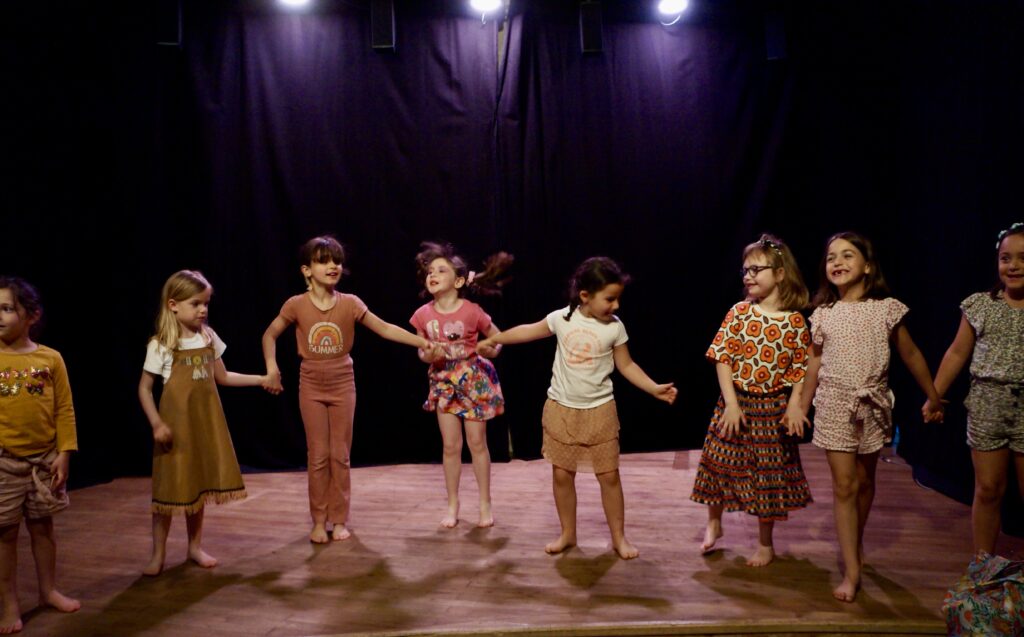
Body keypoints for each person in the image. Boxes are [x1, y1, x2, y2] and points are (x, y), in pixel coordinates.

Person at [478, 257, 676, 559]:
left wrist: (653, 387)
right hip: (562, 409)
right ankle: (568, 534)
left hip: (599, 411)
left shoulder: (614, 328)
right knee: (561, 475)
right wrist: (495, 338)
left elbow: (626, 364)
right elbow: (528, 330)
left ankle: (618, 538)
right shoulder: (562, 318)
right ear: (585, 295)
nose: (616, 306)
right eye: (610, 299)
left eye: (618, 298)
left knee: (609, 476)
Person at [262, 236, 439, 543]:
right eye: (323, 260)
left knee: (340, 455)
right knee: (318, 455)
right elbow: (270, 334)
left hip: (342, 380)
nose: (333, 266)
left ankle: (339, 519)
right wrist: (272, 367)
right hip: (312, 382)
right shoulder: (296, 305)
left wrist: (421, 340)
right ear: (307, 270)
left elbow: (384, 328)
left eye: (337, 261)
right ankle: (319, 520)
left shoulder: (351, 303)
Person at [800, 232, 943, 602]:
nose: (838, 262)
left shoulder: (886, 308)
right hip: (834, 404)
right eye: (831, 256)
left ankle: (855, 545)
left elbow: (910, 355)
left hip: (873, 405)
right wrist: (800, 405)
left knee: (864, 482)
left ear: (867, 266)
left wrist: (933, 395)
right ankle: (852, 569)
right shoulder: (824, 314)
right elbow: (812, 365)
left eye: (848, 255)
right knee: (845, 486)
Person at [691, 234, 813, 568]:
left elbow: (800, 369)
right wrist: (730, 403)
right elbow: (722, 357)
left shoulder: (794, 322)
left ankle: (765, 544)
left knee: (766, 477)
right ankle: (714, 521)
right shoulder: (740, 312)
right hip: (736, 403)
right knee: (717, 462)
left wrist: (794, 405)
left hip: (770, 409)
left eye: (756, 269)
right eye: (745, 270)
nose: (747, 276)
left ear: (780, 273)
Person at [138, 270, 268, 576]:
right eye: (196, 303)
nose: (203, 310)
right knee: (168, 492)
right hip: (174, 429)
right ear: (173, 305)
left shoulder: (208, 337)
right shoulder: (162, 344)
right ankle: (158, 554)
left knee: (197, 490)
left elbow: (223, 377)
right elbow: (144, 388)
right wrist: (157, 423)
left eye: (206, 303)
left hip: (204, 426)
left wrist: (261, 379)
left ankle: (194, 547)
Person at [925, 222, 1024, 556]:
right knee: (989, 488)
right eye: (1005, 258)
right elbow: (956, 353)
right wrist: (934, 394)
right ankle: (983, 565)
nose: (1014, 265)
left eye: (1023, 258)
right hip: (987, 405)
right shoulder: (980, 305)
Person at [410, 242, 512, 528]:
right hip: (443, 381)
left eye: (441, 270)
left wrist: (491, 349)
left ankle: (484, 503)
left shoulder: (471, 311)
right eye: (430, 271)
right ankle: (453, 503)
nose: (433, 274)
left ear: (457, 280)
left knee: (477, 443)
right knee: (450, 446)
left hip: (472, 380)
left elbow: (497, 339)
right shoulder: (422, 315)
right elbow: (421, 350)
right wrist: (425, 355)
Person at [0, 276, 81, 633]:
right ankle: (9, 603)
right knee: (5, 535)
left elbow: (65, 409)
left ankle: (48, 590)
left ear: (31, 315)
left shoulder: (51, 358)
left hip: (45, 461)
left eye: (6, 308)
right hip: (4, 463)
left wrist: (65, 452)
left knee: (43, 528)